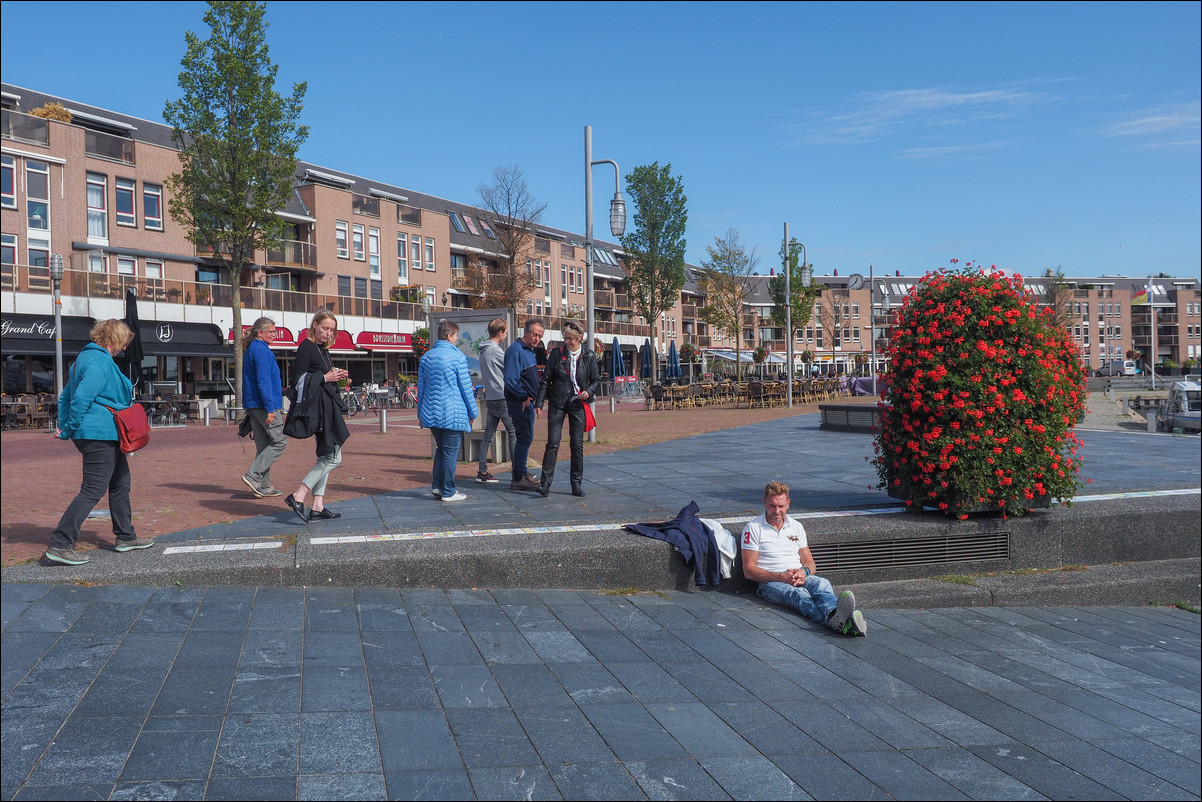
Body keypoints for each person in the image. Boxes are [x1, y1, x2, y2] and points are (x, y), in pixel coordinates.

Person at [44, 319, 155, 565]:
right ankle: (60, 543)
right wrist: (68, 429)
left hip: (105, 433)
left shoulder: (84, 360)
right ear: (112, 340)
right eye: (123, 343)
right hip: (100, 433)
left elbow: (65, 397)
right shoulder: (98, 361)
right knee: (92, 489)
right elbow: (80, 398)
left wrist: (65, 427)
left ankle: (125, 536)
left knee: (120, 483)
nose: (124, 348)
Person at [740, 481, 866, 636]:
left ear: (788, 504)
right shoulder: (753, 528)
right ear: (764, 503)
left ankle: (835, 615)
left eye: (781, 506)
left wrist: (804, 572)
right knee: (799, 595)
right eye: (772, 505)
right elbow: (749, 570)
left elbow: (810, 563)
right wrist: (781, 577)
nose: (777, 511)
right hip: (770, 583)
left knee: (822, 583)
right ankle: (841, 622)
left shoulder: (796, 526)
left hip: (797, 576)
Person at [285, 310, 350, 523]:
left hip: (326, 407)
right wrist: (324, 376)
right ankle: (299, 494)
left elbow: (321, 377)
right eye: (324, 328)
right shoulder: (306, 347)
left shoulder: (322, 349)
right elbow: (298, 381)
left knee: (326, 455)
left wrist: (334, 376)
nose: (328, 333)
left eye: (331, 330)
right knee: (333, 456)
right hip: (319, 410)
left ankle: (317, 506)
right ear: (314, 325)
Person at [534, 321, 600, 497]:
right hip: (558, 402)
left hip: (578, 403)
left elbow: (596, 380)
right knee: (553, 443)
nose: (567, 341)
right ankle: (545, 484)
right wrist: (539, 403)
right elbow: (546, 379)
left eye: (570, 338)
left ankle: (576, 484)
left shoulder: (589, 356)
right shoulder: (557, 353)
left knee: (577, 445)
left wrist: (589, 392)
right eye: (565, 338)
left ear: (580, 338)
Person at [418, 320, 479, 502]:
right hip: (453, 411)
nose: (457, 339)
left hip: (431, 411)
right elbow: (466, 389)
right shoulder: (458, 357)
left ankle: (437, 486)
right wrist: (473, 412)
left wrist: (420, 412)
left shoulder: (426, 357)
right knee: (450, 452)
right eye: (455, 336)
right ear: (449, 336)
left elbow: (421, 388)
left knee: (441, 449)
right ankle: (448, 490)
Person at [240, 317, 286, 498]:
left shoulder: (253, 349)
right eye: (271, 332)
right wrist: (270, 408)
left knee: (263, 445)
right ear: (260, 333)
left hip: (253, 405)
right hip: (264, 405)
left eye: (275, 332)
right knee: (280, 442)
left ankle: (264, 486)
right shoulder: (261, 350)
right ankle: (253, 475)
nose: (274, 335)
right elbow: (263, 380)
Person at [503, 317, 545, 492]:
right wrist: (524, 397)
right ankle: (519, 477)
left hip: (527, 402)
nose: (537, 338)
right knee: (524, 438)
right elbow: (511, 380)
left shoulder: (529, 350)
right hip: (519, 403)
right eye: (534, 334)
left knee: (525, 438)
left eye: (540, 336)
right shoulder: (516, 350)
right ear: (526, 332)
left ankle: (521, 473)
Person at [475, 317, 516, 483]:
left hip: (490, 396)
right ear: (500, 332)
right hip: (501, 396)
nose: (506, 335)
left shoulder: (483, 350)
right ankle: (517, 472)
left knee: (488, 435)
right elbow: (511, 370)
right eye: (505, 332)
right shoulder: (496, 351)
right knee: (513, 433)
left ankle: (482, 471)